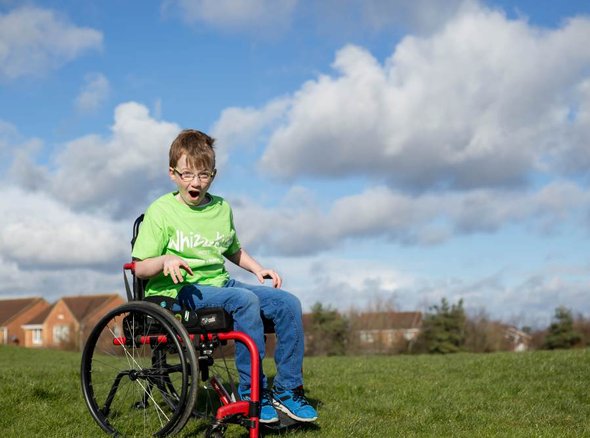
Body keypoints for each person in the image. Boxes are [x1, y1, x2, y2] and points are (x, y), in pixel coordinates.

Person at [131, 129, 317, 424]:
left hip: (220, 285)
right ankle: (251, 393)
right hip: (179, 292)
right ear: (172, 173)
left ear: (213, 175)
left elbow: (232, 250)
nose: (195, 182)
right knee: (243, 300)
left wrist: (257, 268)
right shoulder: (161, 211)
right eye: (187, 174)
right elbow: (139, 267)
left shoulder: (221, 208)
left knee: (288, 303)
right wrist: (165, 260)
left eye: (203, 175)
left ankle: (288, 390)